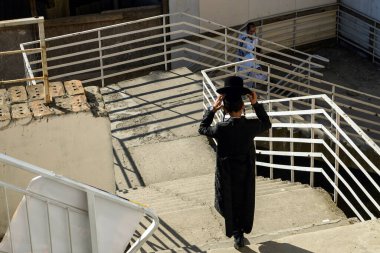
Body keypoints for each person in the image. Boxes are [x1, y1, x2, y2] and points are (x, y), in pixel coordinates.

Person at [198, 76, 271, 249]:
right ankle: (240, 231)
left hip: (227, 172)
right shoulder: (251, 125)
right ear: (243, 106)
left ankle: (236, 232)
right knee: (244, 199)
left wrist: (212, 109)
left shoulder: (221, 129)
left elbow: (202, 128)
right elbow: (267, 123)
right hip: (245, 171)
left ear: (224, 107)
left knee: (229, 200)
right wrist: (256, 105)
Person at [237, 22, 267, 88]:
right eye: (251, 31)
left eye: (254, 31)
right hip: (244, 56)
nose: (252, 32)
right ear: (247, 30)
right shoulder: (243, 37)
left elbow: (255, 45)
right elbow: (243, 47)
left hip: (249, 56)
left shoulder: (254, 37)